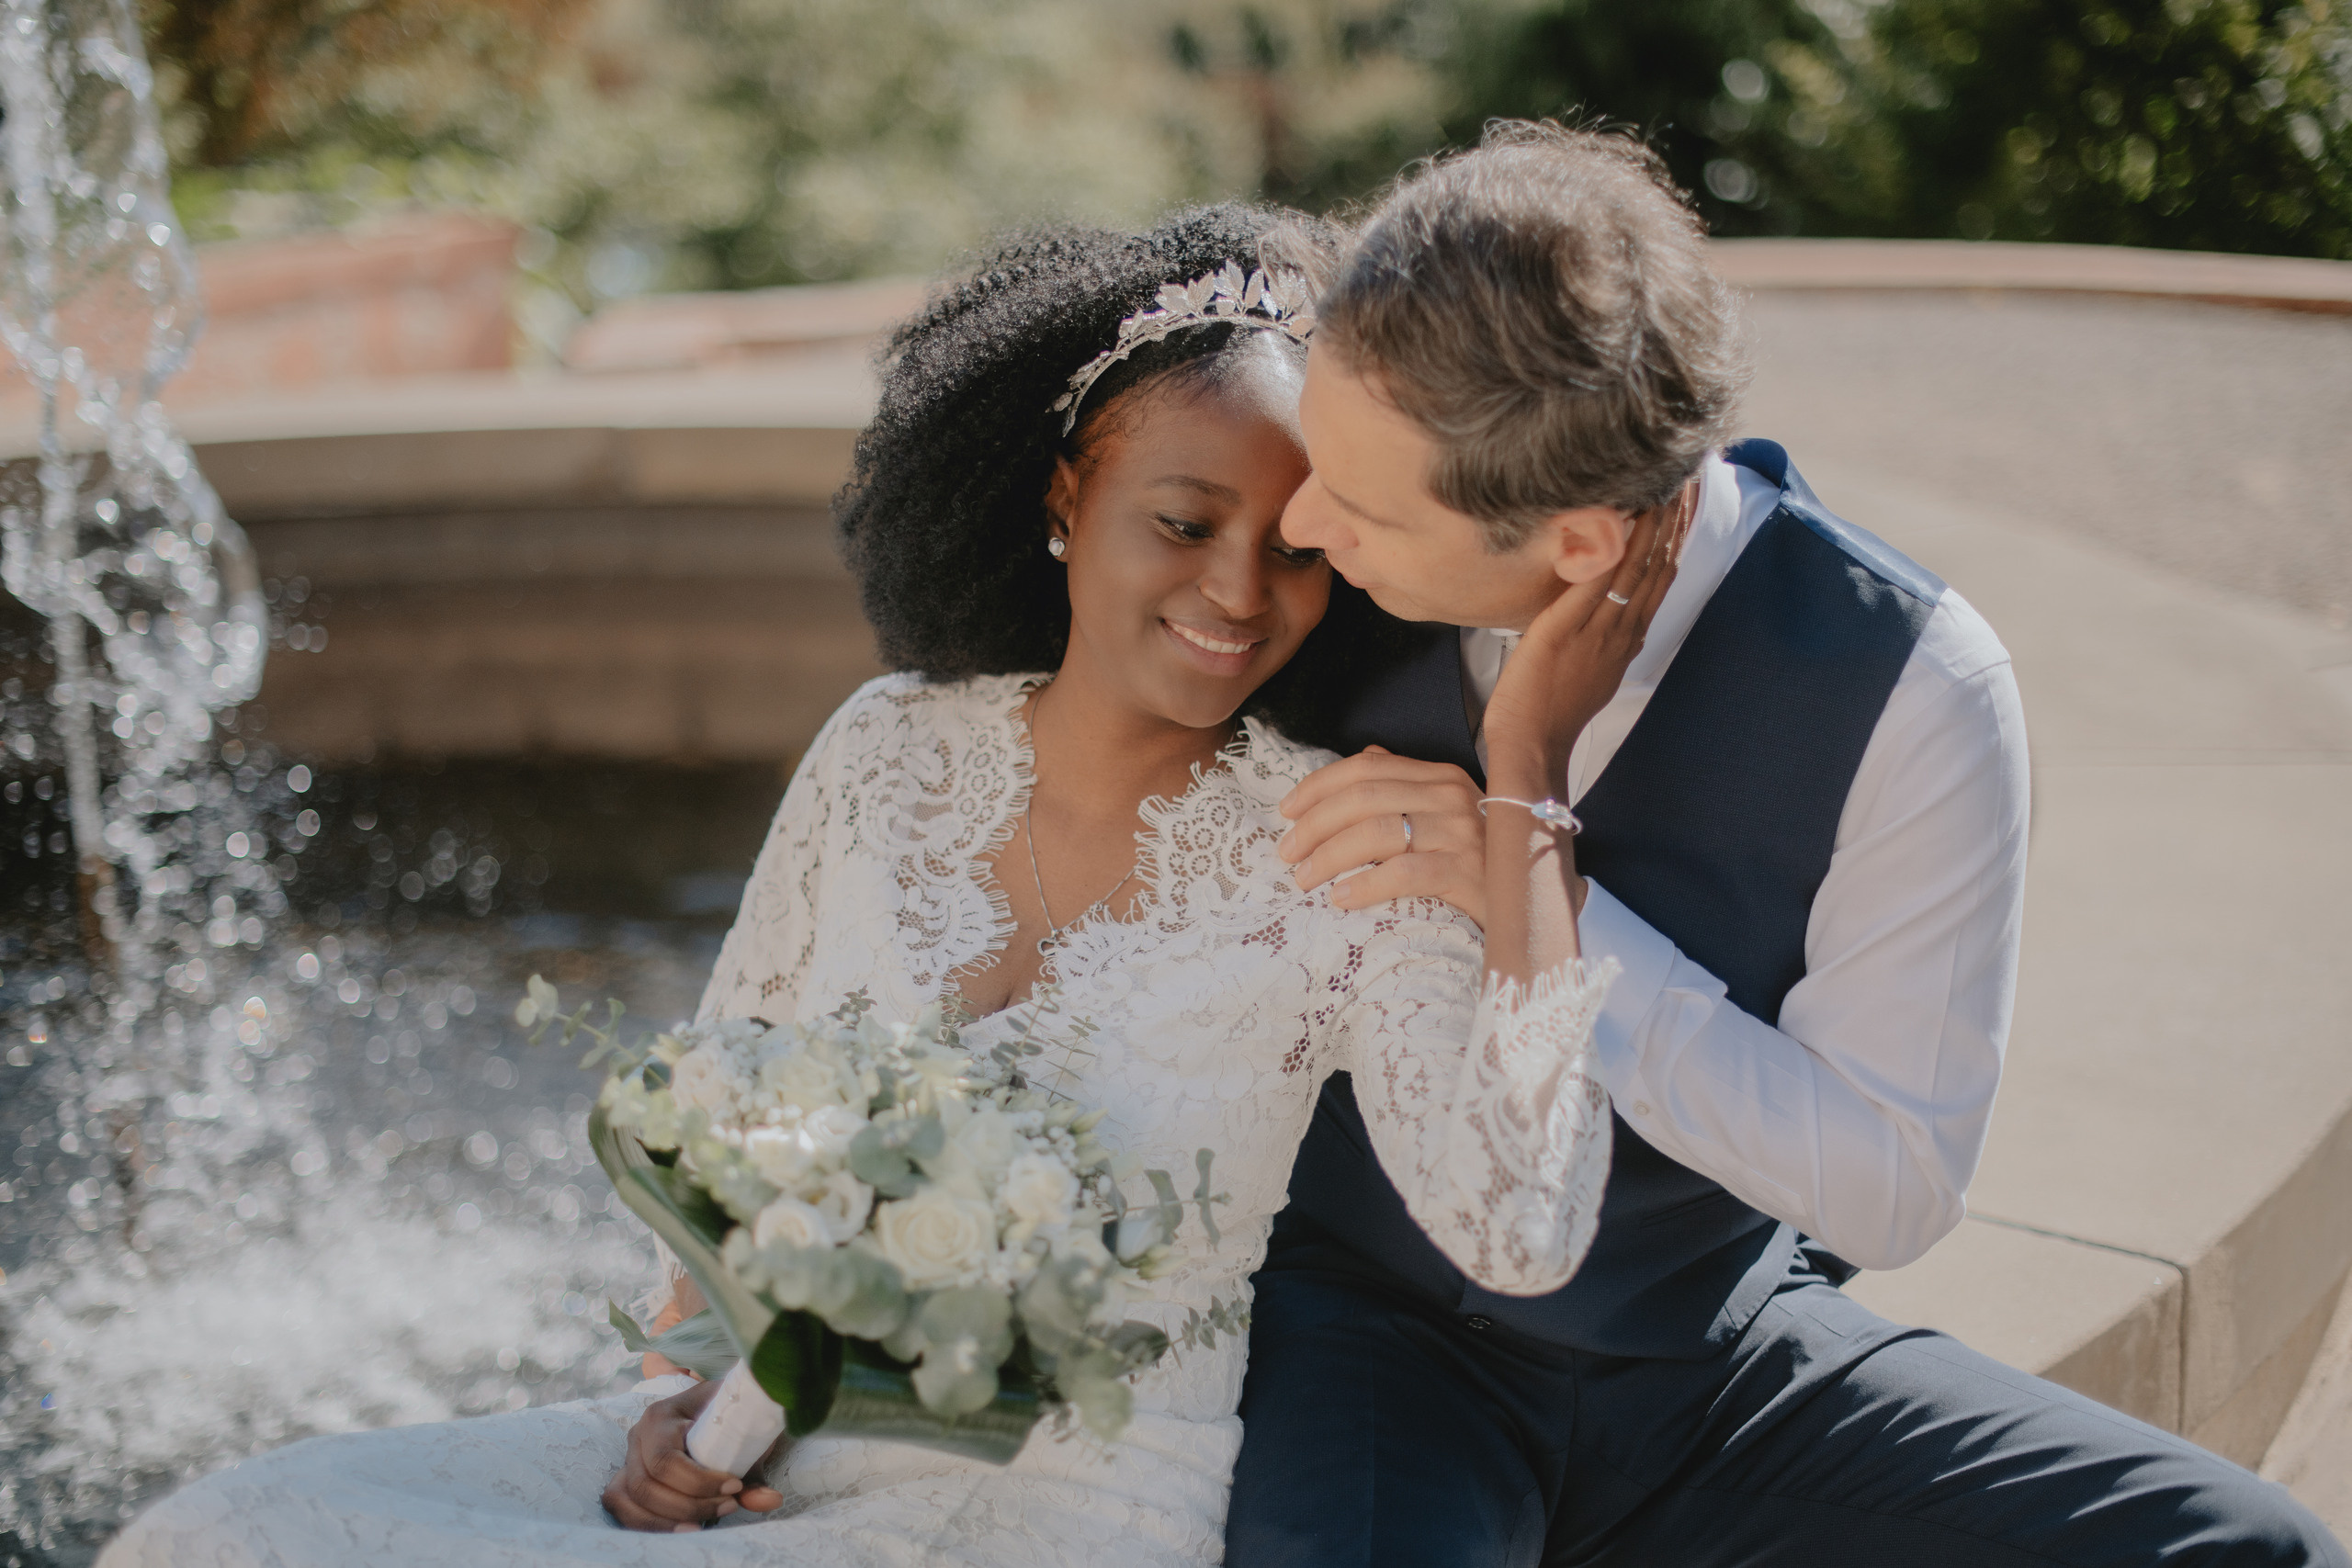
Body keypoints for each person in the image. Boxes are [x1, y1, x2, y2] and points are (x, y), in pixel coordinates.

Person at [99, 205, 1670, 1568]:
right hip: (764, 1456)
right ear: (1063, 499)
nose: (1241, 590)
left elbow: (1523, 1231)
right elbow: (721, 1109)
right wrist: (676, 1403)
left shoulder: (1356, 846)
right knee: (215, 1533)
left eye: (1300, 548)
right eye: (1184, 523)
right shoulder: (886, 749)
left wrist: (1525, 780)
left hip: (1072, 1513)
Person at [1223, 121, 2346, 1568]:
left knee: (2249, 1552)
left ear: (1580, 544)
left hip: (1718, 1365)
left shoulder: (1914, 684)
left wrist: (1531, 862)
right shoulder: (1312, 595)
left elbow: (1891, 1179)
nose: (1303, 520)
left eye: (1367, 507)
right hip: (1371, 1350)